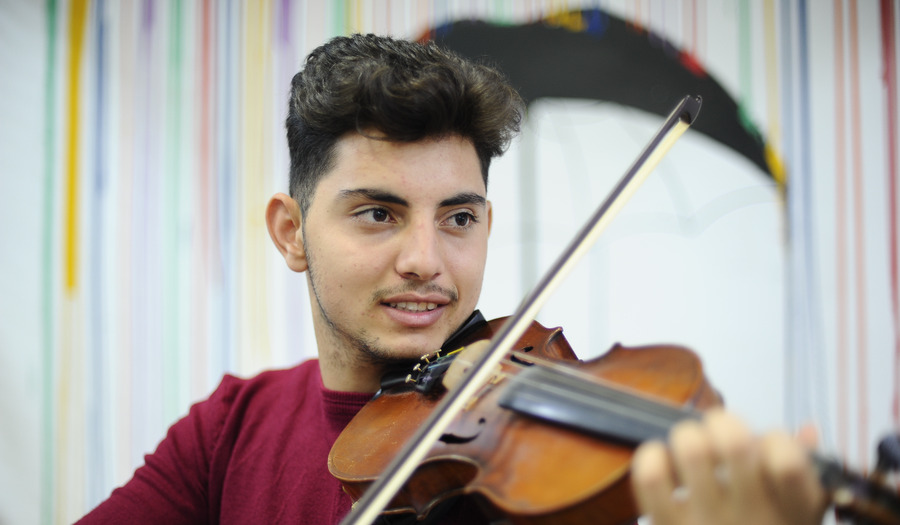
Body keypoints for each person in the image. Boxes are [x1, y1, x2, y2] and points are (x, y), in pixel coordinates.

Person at [77, 33, 827, 524]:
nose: (426, 260)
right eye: (378, 213)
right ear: (291, 232)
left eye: (459, 217)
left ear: (486, 225)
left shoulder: (536, 476)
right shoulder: (227, 430)